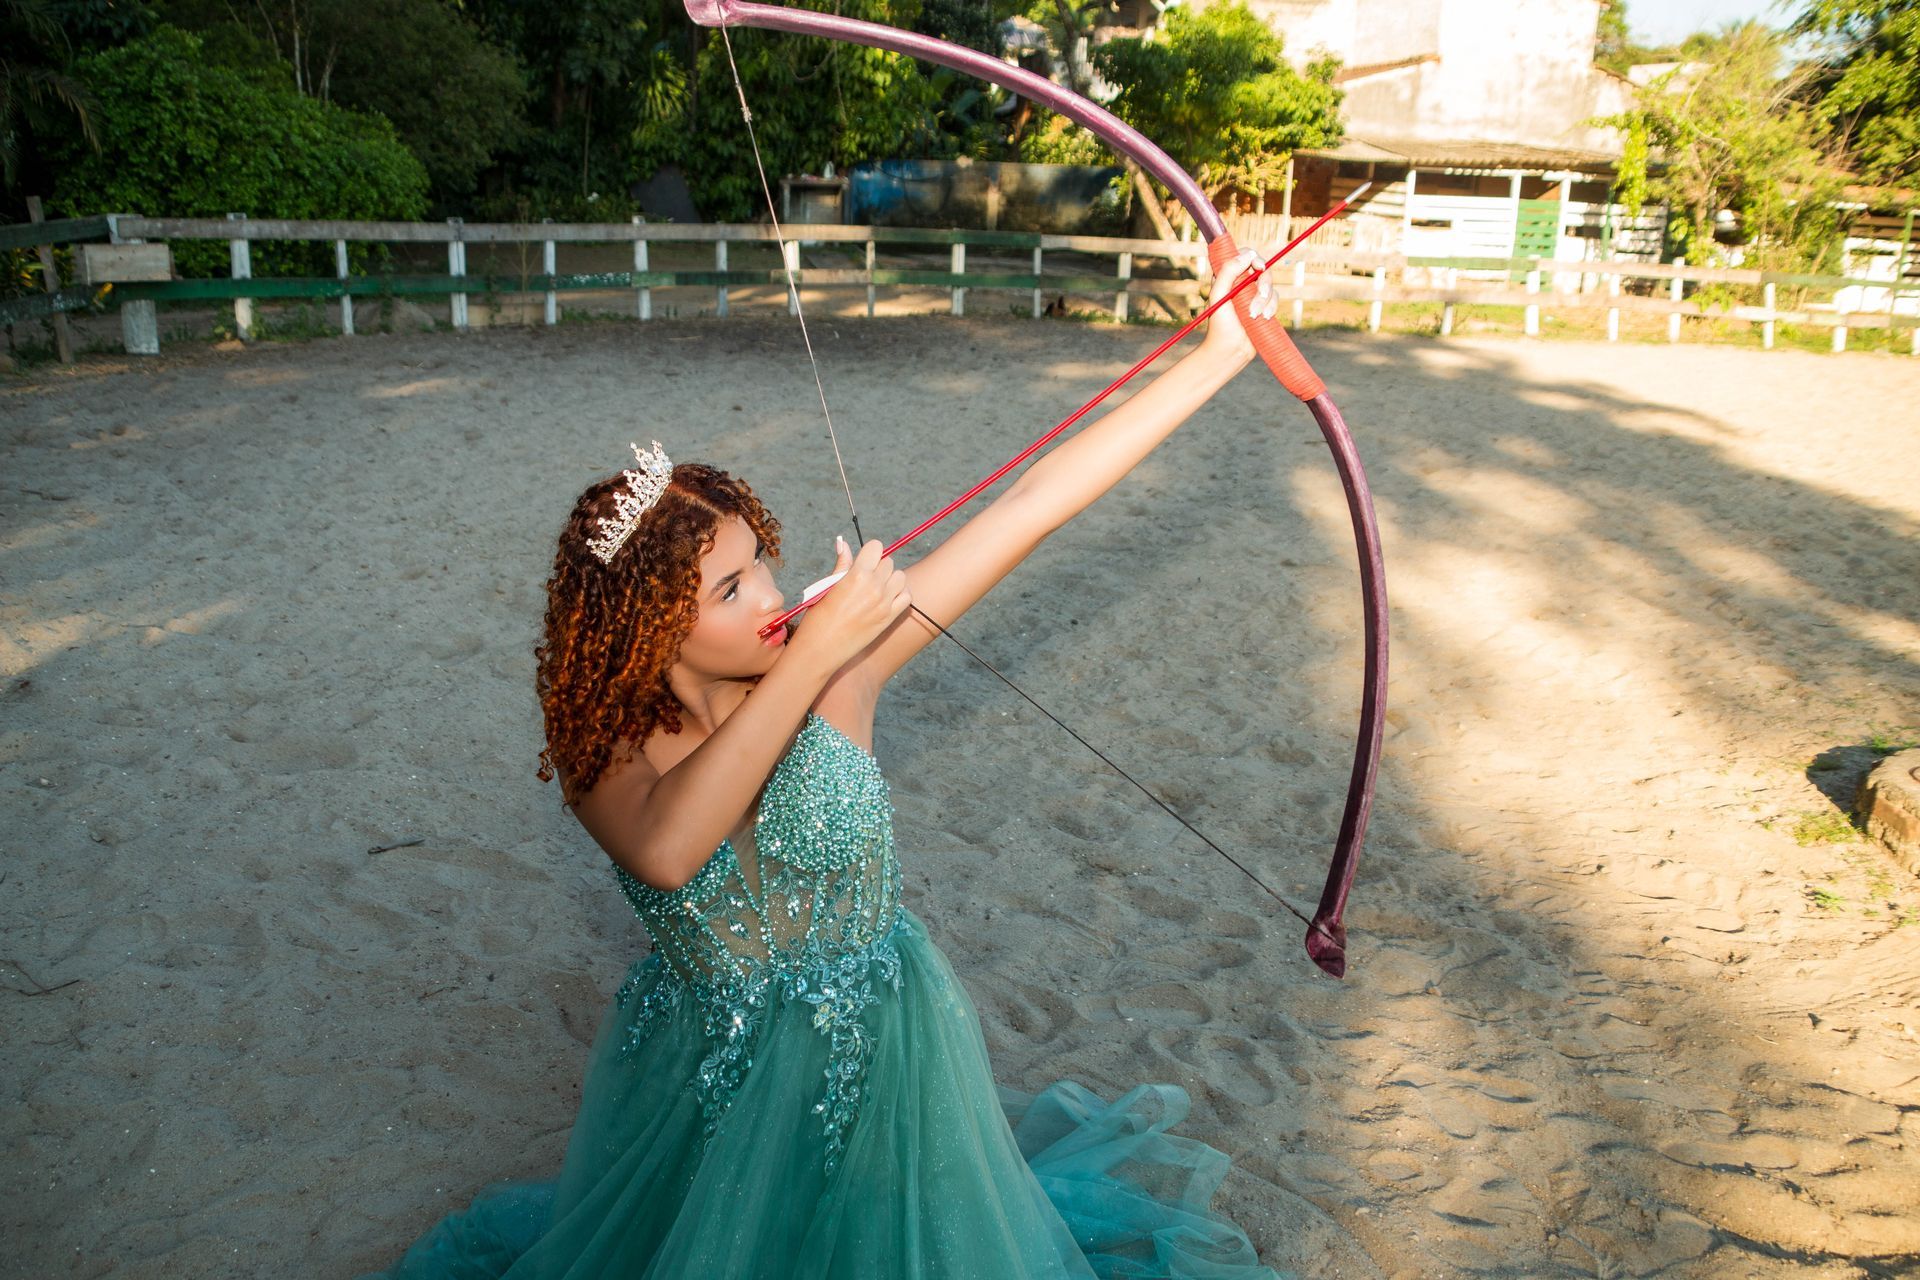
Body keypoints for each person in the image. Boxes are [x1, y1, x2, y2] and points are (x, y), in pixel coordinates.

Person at [361, 257, 1289, 1279]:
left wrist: (1220, 352)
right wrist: (811, 652)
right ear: (654, 627)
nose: (768, 589)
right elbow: (670, 848)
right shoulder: (605, 749)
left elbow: (1028, 506)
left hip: (886, 1049)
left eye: (761, 556)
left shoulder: (843, 662)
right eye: (730, 585)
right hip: (713, 1080)